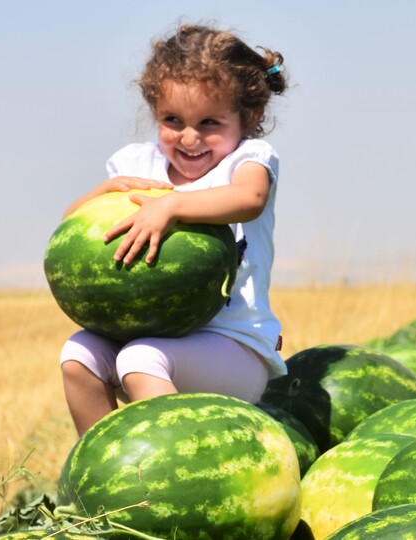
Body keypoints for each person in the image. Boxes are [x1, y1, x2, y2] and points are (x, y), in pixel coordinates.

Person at [58, 24, 289, 436]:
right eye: (172, 120)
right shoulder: (137, 167)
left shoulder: (247, 161)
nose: (188, 137)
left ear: (249, 116)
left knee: (140, 359)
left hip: (235, 347)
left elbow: (249, 199)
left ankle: (181, 470)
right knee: (79, 354)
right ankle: (103, 470)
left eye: (209, 123)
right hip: (153, 339)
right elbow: (69, 231)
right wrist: (106, 190)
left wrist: (174, 205)